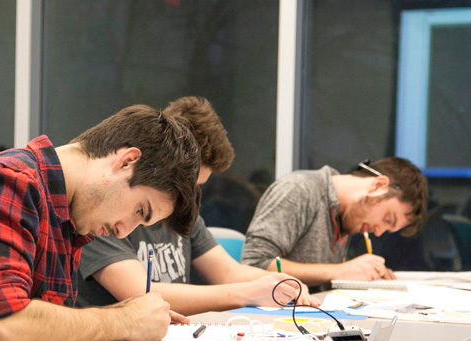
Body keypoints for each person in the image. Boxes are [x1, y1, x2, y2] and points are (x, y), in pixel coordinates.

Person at [0, 104, 201, 341]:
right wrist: (125, 320)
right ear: (127, 161)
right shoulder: (12, 179)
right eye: (140, 210)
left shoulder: (72, 213)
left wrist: (132, 313)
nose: (123, 231)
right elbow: (2, 325)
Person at [75, 96, 314, 315]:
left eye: (196, 187)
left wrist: (281, 283)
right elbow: (139, 292)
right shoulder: (107, 214)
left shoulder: (183, 215)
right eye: (184, 186)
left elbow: (228, 273)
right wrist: (246, 293)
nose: (186, 198)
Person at [241, 158, 428, 286]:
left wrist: (365, 274)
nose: (378, 232)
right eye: (388, 218)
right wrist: (340, 271)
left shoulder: (347, 217)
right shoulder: (299, 190)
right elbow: (253, 264)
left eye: (388, 229)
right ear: (378, 185)